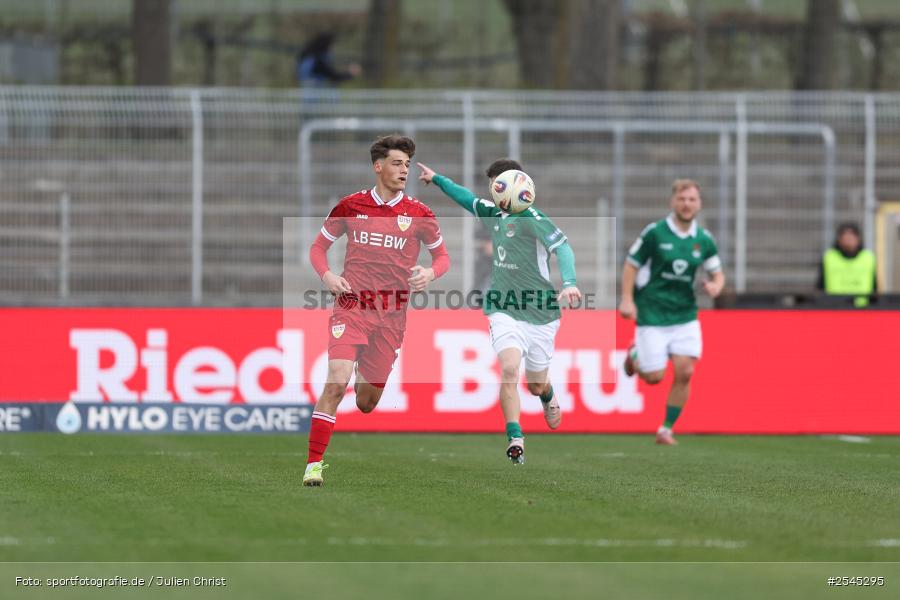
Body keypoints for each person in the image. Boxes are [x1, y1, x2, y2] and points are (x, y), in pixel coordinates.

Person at [304, 134, 450, 486]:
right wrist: (327, 276)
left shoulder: (419, 214)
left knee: (367, 401)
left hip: (391, 317)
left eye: (408, 165)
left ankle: (362, 372)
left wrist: (430, 272)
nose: (404, 170)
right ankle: (313, 465)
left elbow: (443, 257)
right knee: (336, 381)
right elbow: (317, 248)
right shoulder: (350, 206)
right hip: (351, 306)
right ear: (378, 166)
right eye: (398, 164)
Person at [418, 159, 581, 465]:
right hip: (502, 307)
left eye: (501, 183)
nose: (496, 190)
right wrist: (437, 178)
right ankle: (515, 436)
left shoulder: (534, 218)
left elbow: (564, 249)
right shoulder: (493, 213)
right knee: (508, 368)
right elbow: (465, 197)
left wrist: (570, 283)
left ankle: (547, 395)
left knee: (534, 384)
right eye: (494, 184)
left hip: (541, 311)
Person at [618, 179, 725, 446]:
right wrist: (627, 300)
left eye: (692, 200)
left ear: (699, 204)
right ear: (672, 202)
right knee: (654, 378)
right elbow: (631, 266)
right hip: (652, 313)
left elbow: (717, 272)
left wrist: (716, 286)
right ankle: (634, 353)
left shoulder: (704, 240)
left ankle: (666, 429)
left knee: (686, 372)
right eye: (682, 199)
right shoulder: (655, 233)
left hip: (685, 315)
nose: (687, 204)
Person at [816, 222, 876, 308]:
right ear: (839, 239)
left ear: (858, 238)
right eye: (845, 236)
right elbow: (820, 285)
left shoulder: (868, 258)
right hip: (834, 308)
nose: (848, 239)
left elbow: (874, 286)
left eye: (851, 236)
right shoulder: (829, 257)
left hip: (862, 309)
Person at [296, 33, 361, 90]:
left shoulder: (307, 56)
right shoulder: (318, 59)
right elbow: (333, 75)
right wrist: (350, 74)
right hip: (317, 90)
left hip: (306, 89)